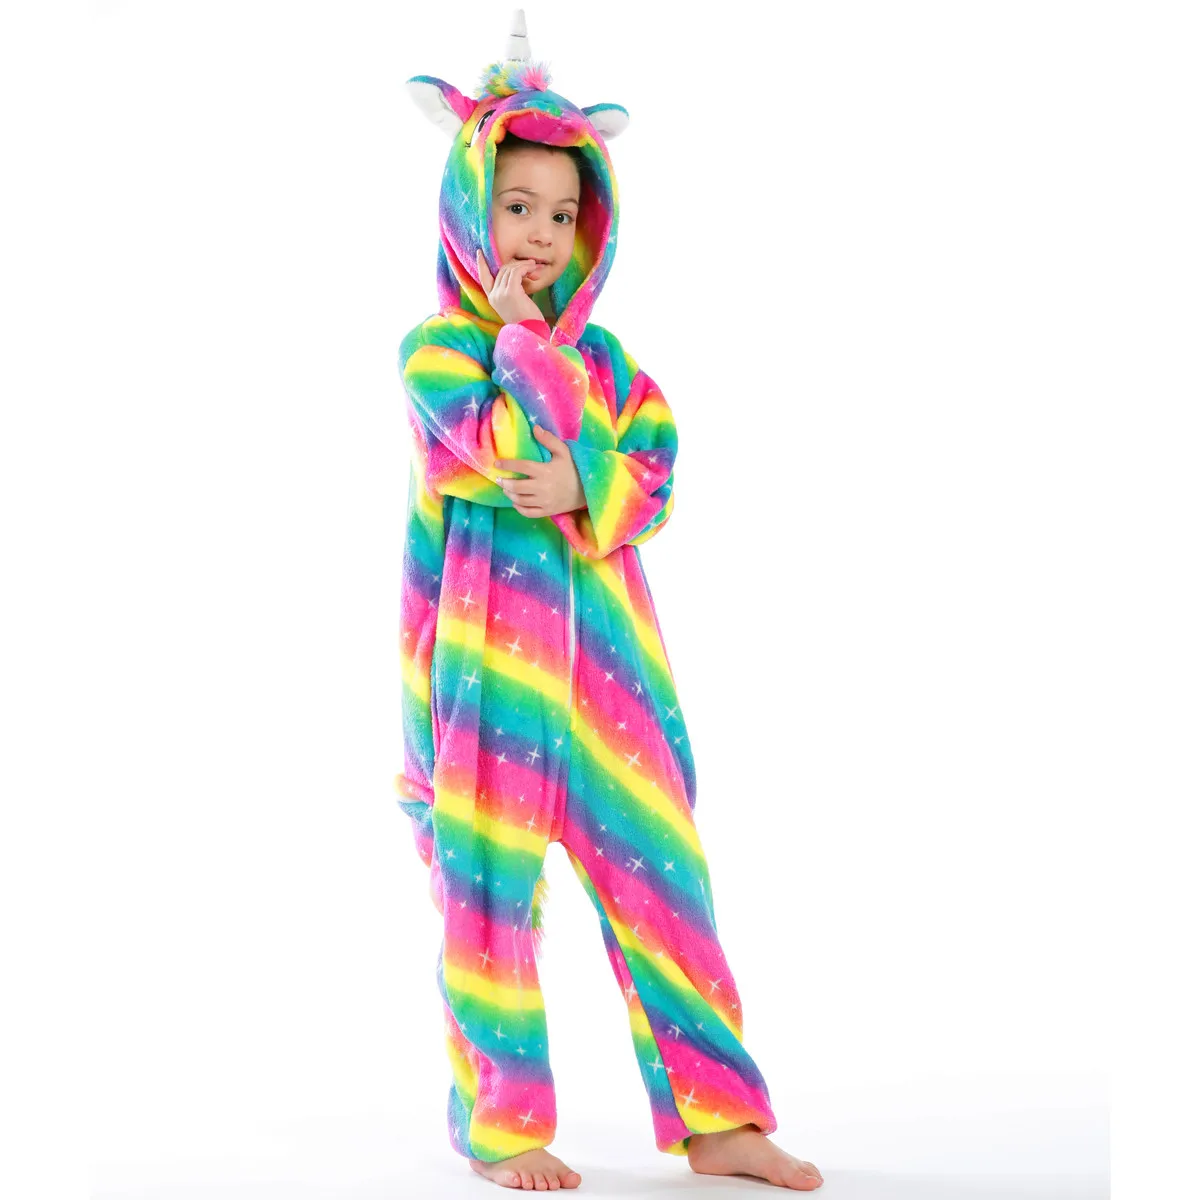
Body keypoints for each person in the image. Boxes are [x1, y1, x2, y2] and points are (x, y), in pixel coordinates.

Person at [395, 12, 824, 1193]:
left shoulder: (615, 364)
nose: (539, 233)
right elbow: (501, 445)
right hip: (488, 680)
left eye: (561, 213)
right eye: (515, 206)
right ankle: (504, 1129)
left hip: (612, 679)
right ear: (469, 211)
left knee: (666, 888)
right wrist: (529, 356)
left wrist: (592, 484)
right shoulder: (438, 351)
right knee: (489, 903)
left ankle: (720, 1118)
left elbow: (656, 474)